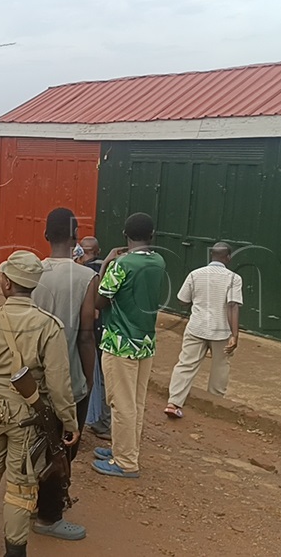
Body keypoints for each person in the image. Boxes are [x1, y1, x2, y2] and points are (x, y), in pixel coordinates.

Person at [0, 250, 78, 557]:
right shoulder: (49, 326)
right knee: (21, 486)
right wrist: (69, 422)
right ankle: (15, 552)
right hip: (29, 416)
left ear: (7, 283)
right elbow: (59, 384)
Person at [30, 208, 97, 541]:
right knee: (62, 448)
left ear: (46, 236)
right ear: (75, 238)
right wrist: (89, 377)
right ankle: (49, 516)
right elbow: (85, 335)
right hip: (69, 381)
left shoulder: (31, 273)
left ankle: (35, 502)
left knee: (36, 444)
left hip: (31, 381)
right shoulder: (85, 277)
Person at [93, 212, 166, 479]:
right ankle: (124, 450)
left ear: (125, 235)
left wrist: (106, 264)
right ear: (152, 235)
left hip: (119, 342)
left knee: (121, 403)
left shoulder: (121, 265)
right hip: (145, 341)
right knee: (136, 401)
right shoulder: (158, 261)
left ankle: (125, 462)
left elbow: (100, 300)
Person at [165, 242, 242, 418]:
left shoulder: (195, 274)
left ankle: (173, 403)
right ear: (228, 257)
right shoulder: (234, 278)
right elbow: (233, 306)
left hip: (196, 327)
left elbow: (182, 300)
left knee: (186, 364)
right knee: (220, 368)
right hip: (221, 331)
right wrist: (235, 335)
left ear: (211, 256)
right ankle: (214, 406)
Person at [78, 236, 111, 440]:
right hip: (104, 331)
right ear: (98, 251)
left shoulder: (82, 273)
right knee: (104, 378)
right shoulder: (108, 269)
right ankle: (103, 422)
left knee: (86, 377)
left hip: (87, 333)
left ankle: (91, 421)